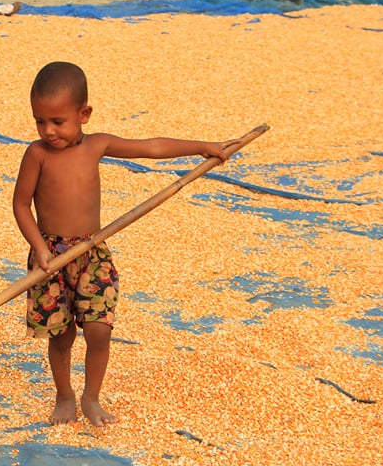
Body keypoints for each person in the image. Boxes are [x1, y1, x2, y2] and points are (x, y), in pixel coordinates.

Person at [12, 61, 236, 427]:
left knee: (99, 328)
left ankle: (91, 397)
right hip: (49, 256)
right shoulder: (36, 155)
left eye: (58, 121)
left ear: (84, 114)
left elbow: (150, 147)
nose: (48, 131)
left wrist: (201, 146)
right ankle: (65, 395)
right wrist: (38, 248)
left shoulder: (98, 145)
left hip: (92, 252)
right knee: (62, 334)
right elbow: (21, 204)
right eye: (40, 121)